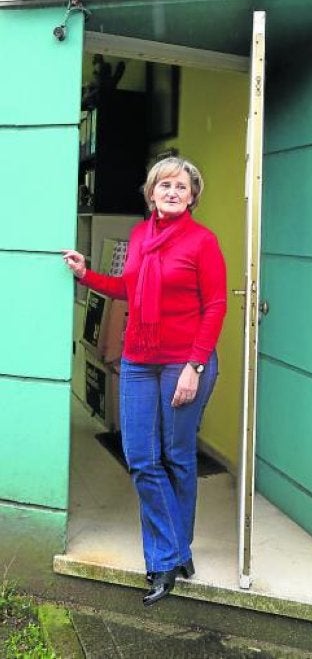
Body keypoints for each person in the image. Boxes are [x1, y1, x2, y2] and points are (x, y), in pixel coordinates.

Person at [63, 156, 227, 606]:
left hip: (184, 364)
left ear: (192, 195)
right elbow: (127, 288)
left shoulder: (202, 242)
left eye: (181, 186)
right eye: (164, 185)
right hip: (139, 359)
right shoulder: (140, 236)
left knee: (176, 457)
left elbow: (215, 307)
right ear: (151, 192)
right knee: (140, 457)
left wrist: (194, 367)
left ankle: (162, 562)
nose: (172, 192)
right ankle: (178, 551)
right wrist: (85, 274)